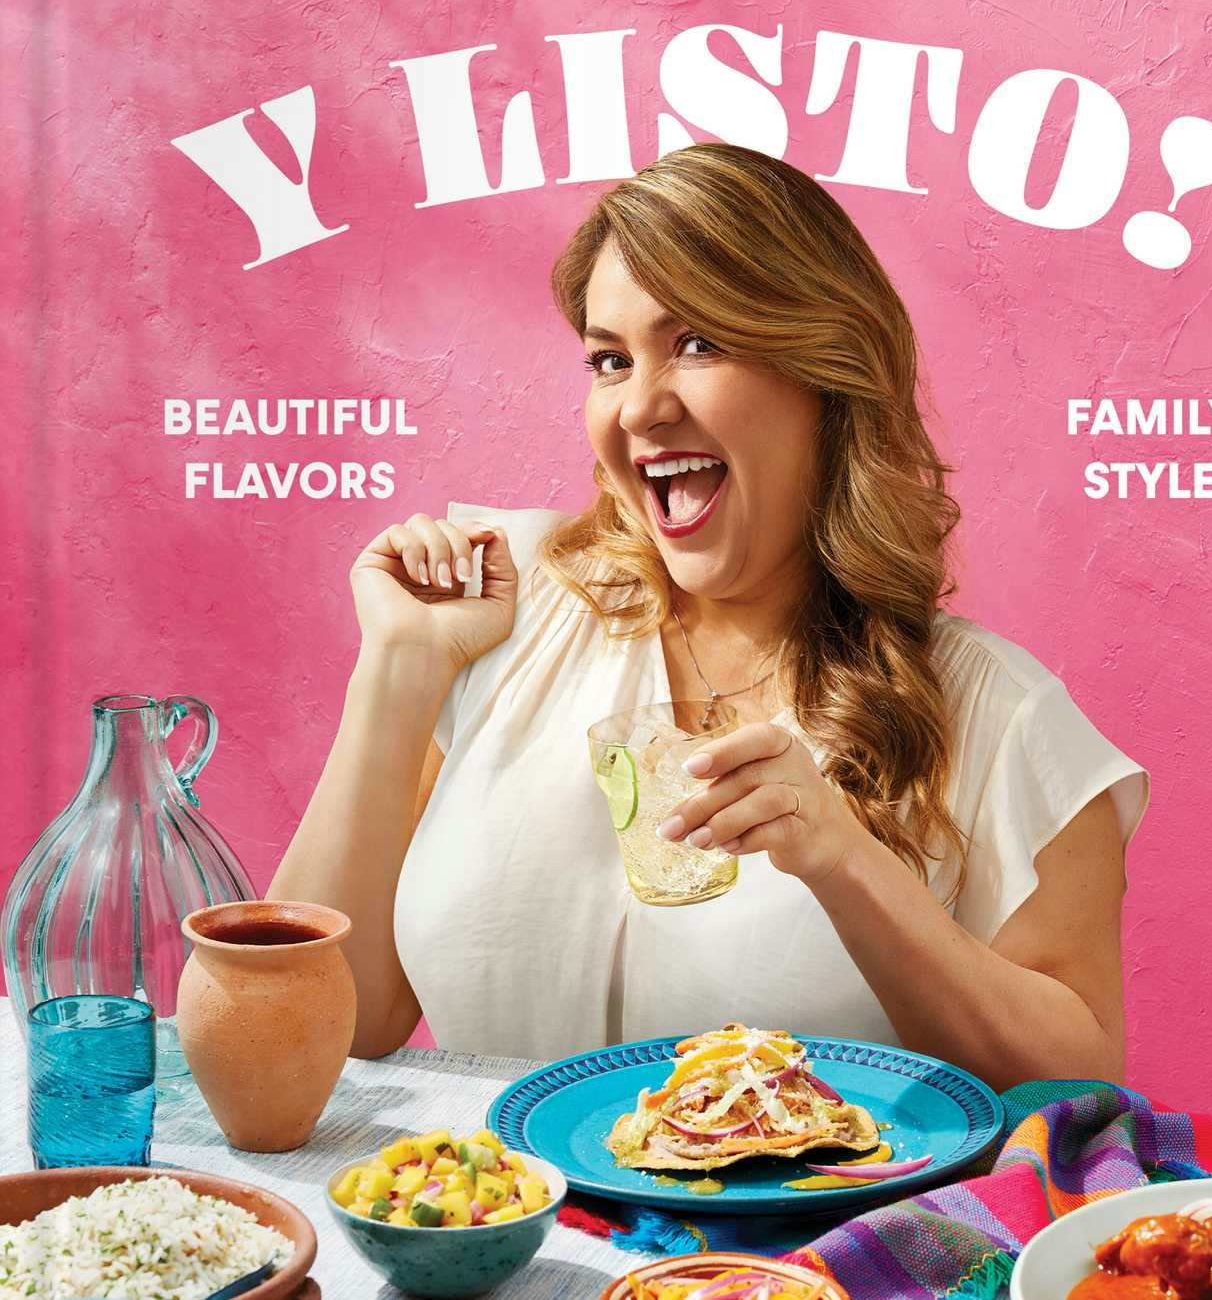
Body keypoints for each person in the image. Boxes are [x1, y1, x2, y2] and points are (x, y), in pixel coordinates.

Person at [270, 144, 1148, 1088]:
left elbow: (1080, 1090)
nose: (641, 408)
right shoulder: (508, 604)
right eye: (609, 360)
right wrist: (398, 672)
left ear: (826, 371)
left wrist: (844, 861)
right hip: (500, 1227)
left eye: (698, 343)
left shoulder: (996, 716)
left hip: (797, 1237)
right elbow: (324, 1016)